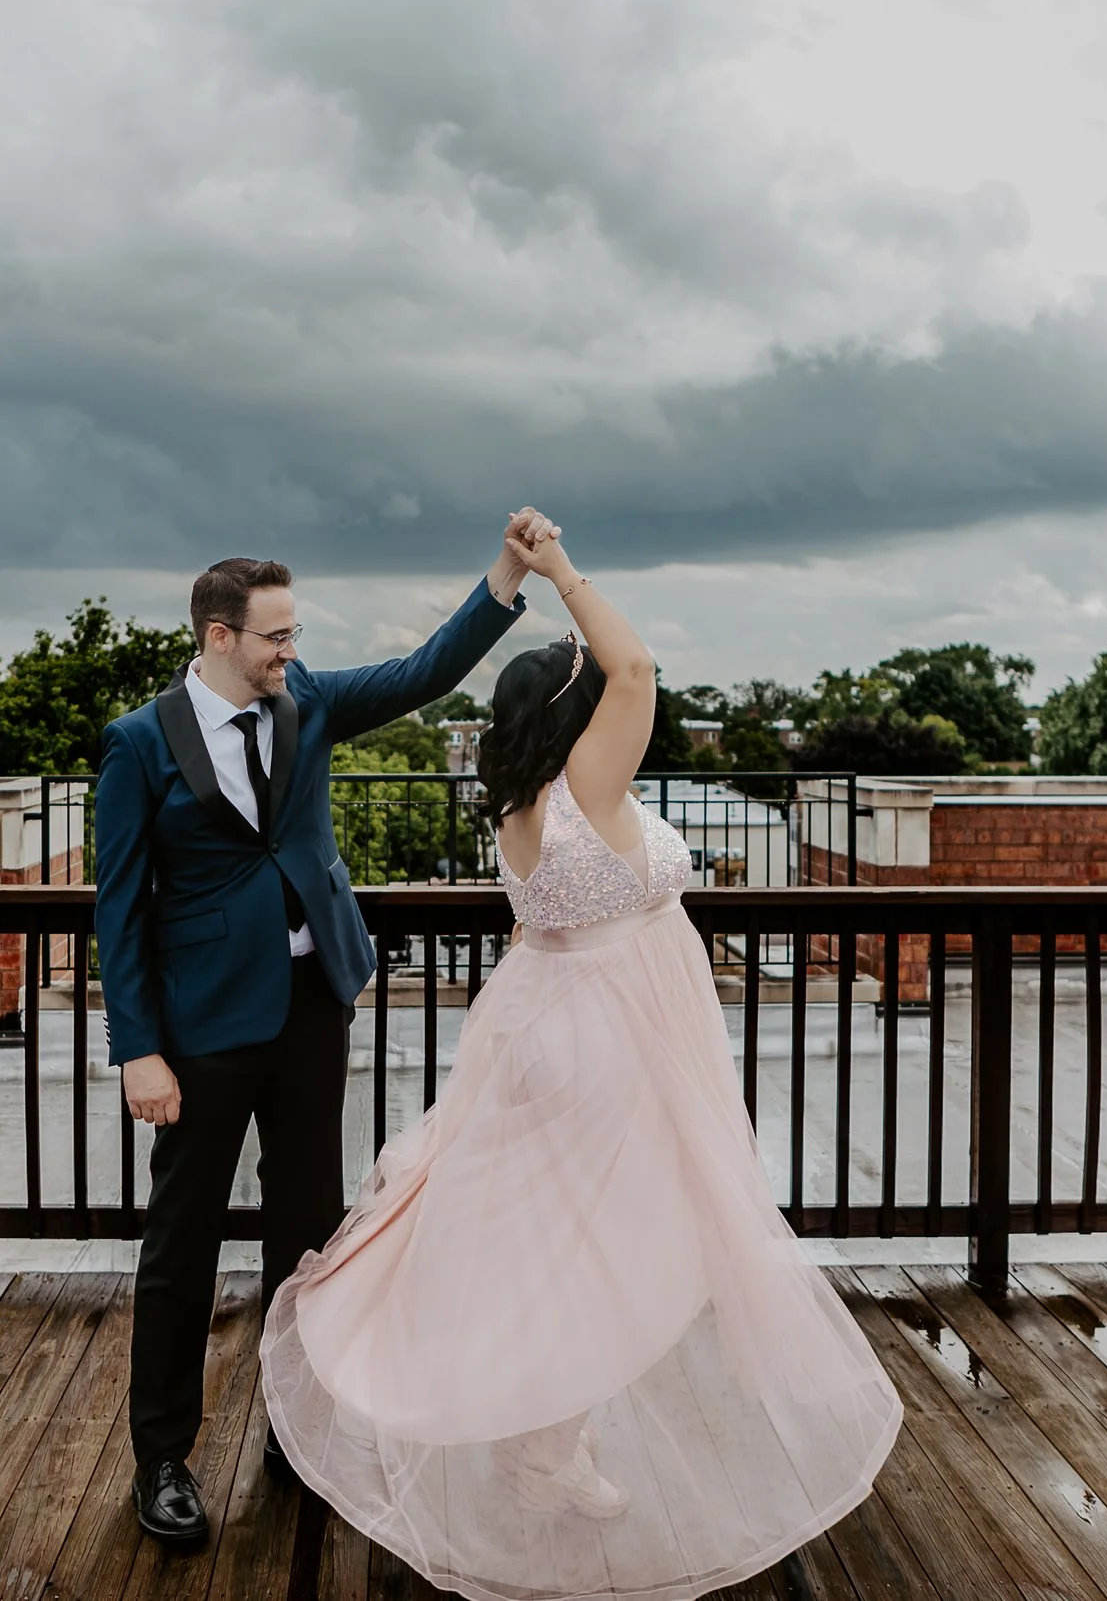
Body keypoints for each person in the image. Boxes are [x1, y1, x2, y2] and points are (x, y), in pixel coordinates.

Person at [256, 532, 904, 1601]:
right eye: (589, 689)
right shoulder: (588, 782)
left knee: (558, 1246)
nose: (614, 693)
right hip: (607, 1033)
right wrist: (560, 569)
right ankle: (546, 1449)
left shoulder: (522, 797)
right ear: (573, 712)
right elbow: (640, 669)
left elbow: (537, 922)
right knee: (619, 1247)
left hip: (553, 1018)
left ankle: (542, 1440)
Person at [96, 510, 557, 1547]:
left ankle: (296, 1428)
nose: (292, 651)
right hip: (203, 1027)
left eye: (294, 634)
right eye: (276, 636)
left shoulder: (303, 701)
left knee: (309, 1234)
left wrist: (506, 571)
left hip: (312, 1009)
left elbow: (424, 671)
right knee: (182, 1243)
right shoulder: (136, 743)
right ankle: (162, 1456)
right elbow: (118, 907)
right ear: (218, 636)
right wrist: (138, 1045)